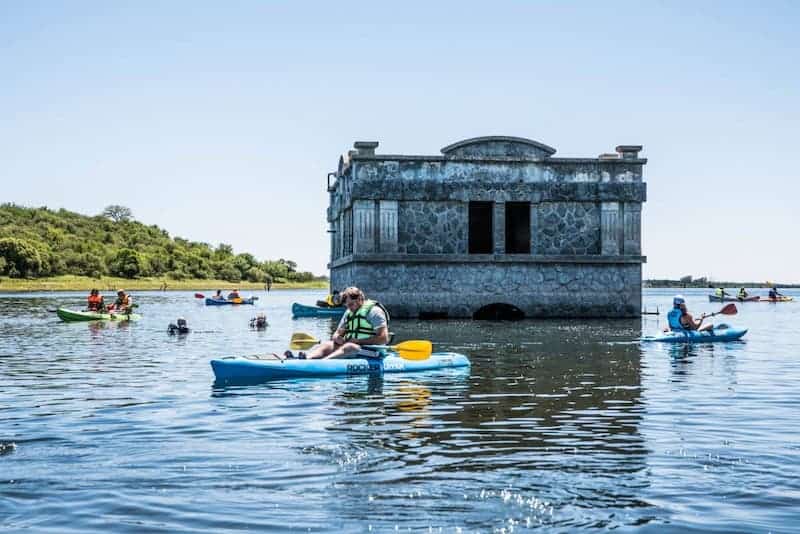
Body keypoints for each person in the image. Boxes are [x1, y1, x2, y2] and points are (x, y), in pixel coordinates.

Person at [300, 287, 390, 360]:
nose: (349, 308)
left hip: (374, 352)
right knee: (327, 345)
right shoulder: (348, 313)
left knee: (349, 347)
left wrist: (358, 341)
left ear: (360, 299)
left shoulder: (374, 312)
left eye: (351, 304)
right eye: (347, 305)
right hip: (352, 347)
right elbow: (337, 333)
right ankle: (306, 359)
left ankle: (323, 363)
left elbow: (384, 338)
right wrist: (337, 338)